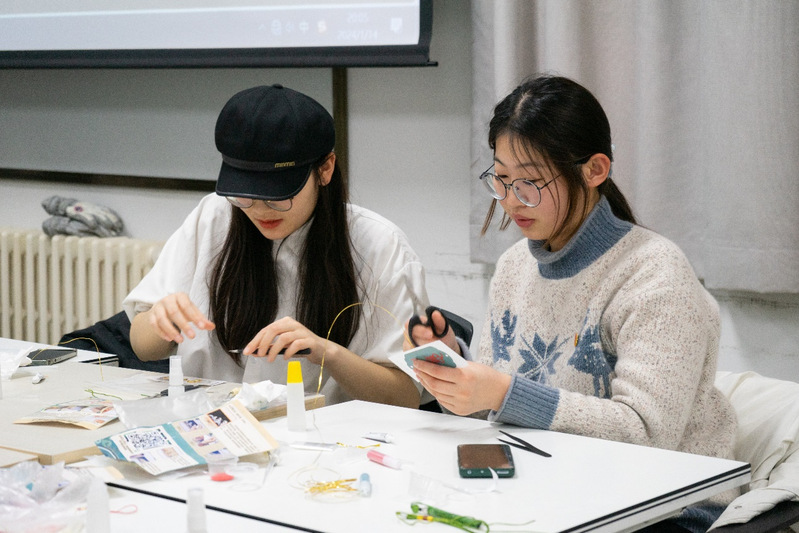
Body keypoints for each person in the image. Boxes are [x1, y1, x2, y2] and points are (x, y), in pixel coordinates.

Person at [406, 75, 737, 532]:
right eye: (502, 179)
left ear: (594, 170)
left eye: (530, 182)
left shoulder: (655, 275)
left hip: (664, 509)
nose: (511, 200)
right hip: (553, 490)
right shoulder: (514, 265)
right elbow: (493, 412)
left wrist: (502, 392)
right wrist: (455, 370)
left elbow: (646, 434)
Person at [124, 84, 429, 408]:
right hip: (213, 424)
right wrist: (160, 321)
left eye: (277, 195)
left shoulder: (379, 246)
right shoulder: (213, 216)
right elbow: (142, 347)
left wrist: (326, 352)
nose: (259, 210)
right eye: (244, 194)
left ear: (325, 169)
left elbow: (405, 397)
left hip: (321, 431)